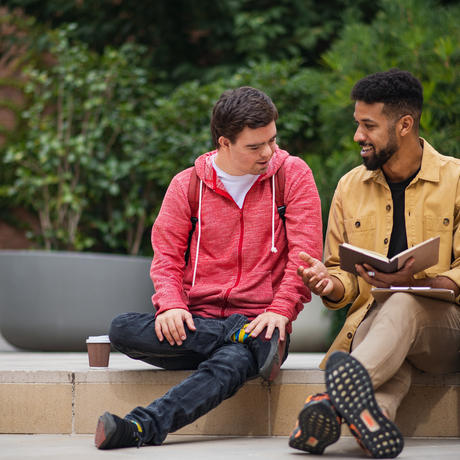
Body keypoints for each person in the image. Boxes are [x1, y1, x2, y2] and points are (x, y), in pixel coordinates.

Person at [95, 86, 323, 449]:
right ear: (224, 143)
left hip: (265, 324)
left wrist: (281, 310)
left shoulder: (291, 175)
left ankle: (139, 428)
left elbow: (305, 256)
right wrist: (170, 304)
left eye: (272, 141)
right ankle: (238, 334)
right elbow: (166, 257)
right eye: (254, 146)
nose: (268, 153)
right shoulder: (187, 185)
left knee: (233, 361)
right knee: (121, 328)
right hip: (198, 323)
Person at [289, 68, 460, 458]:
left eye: (368, 125)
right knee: (381, 322)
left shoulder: (456, 179)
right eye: (357, 123)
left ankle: (330, 402)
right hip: (380, 326)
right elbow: (340, 271)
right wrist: (327, 283)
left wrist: (425, 281)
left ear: (404, 124)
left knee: (400, 303)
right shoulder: (350, 187)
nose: (357, 137)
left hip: (447, 328)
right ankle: (372, 419)